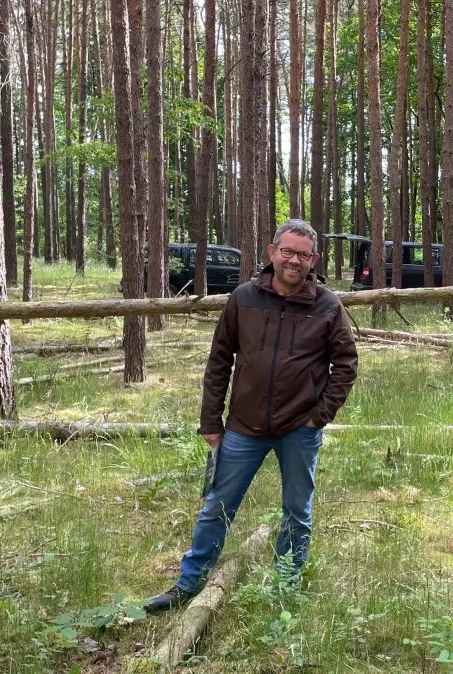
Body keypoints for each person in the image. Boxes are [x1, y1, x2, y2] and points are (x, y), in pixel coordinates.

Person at [144, 219, 358, 613]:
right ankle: (188, 585)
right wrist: (211, 421)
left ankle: (286, 588)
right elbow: (219, 361)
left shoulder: (327, 306)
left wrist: (318, 416)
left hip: (300, 429)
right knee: (216, 507)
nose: (294, 261)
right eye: (288, 251)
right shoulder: (243, 298)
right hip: (244, 426)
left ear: (315, 260)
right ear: (272, 251)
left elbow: (346, 365)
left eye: (303, 255)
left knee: (297, 511)